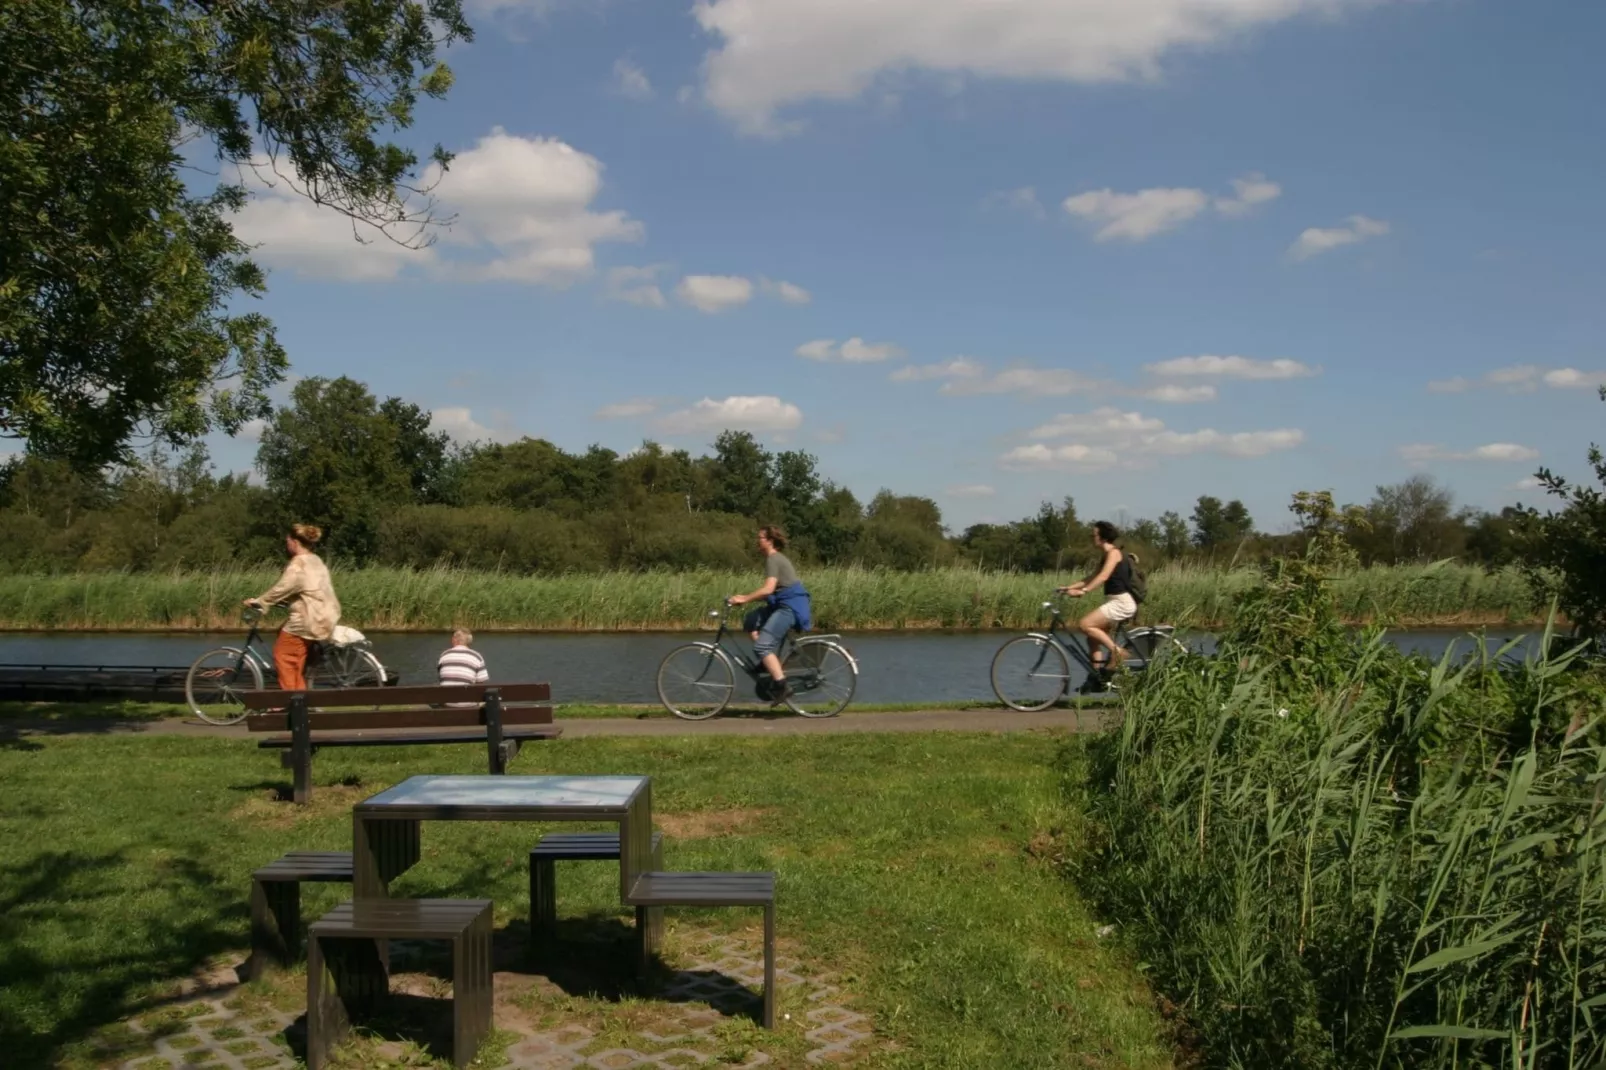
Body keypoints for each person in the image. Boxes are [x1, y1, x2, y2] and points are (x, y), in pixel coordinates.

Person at [244, 524, 341, 692]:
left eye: (288, 540)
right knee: (290, 648)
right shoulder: (315, 559)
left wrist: (259, 602)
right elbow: (305, 589)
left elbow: (282, 588)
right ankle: (299, 696)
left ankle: (292, 703)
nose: (286, 544)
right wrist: (281, 602)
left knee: (283, 655)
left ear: (295, 542)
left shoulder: (298, 564)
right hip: (325, 615)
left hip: (308, 618)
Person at [728, 524, 812, 702]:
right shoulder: (773, 559)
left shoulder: (774, 559)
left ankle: (782, 686)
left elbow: (768, 589)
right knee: (751, 621)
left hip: (789, 607)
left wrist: (744, 599)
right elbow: (774, 591)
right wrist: (744, 597)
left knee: (762, 646)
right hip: (780, 604)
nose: (757, 541)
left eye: (760, 538)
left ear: (770, 541)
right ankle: (767, 664)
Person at [1057, 520, 1136, 692]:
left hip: (1121, 602)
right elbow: (1091, 577)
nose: (1092, 538)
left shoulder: (1114, 553)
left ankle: (1118, 652)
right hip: (1115, 601)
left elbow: (1103, 577)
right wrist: (1069, 588)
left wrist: (1083, 592)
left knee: (1085, 624)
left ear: (1102, 537)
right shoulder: (1106, 555)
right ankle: (1097, 677)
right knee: (1092, 638)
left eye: (1094, 535)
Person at [438, 628, 489, 706]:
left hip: (446, 704)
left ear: (454, 640)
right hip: (468, 705)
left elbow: (441, 678)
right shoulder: (476, 656)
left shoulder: (444, 655)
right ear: (468, 642)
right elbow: (481, 683)